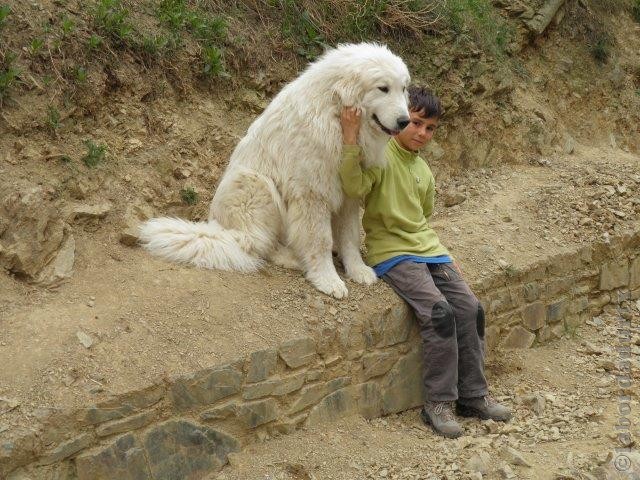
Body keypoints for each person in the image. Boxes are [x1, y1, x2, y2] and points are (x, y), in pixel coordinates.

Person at [338, 86, 511, 438]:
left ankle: (473, 397)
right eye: (415, 123)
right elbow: (353, 187)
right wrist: (351, 137)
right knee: (439, 313)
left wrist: (445, 257)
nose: (421, 133)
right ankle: (439, 404)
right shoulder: (381, 155)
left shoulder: (424, 170)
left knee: (470, 308)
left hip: (430, 251)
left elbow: (424, 217)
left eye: (430, 128)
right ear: (400, 118)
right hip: (392, 253)